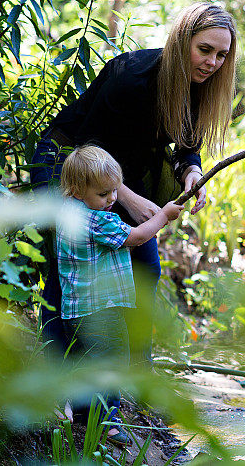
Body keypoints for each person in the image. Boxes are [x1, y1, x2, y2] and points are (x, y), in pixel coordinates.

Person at [30, 2, 237, 362]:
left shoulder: (203, 84)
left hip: (121, 172)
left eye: (221, 55)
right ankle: (56, 377)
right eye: (204, 50)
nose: (212, 63)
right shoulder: (132, 78)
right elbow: (87, 148)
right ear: (182, 41)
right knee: (66, 270)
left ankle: (135, 373)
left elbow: (188, 146)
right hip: (68, 164)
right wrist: (128, 199)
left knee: (145, 266)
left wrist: (191, 172)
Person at [57, 145, 183, 446]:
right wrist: (164, 215)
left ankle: (69, 401)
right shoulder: (98, 221)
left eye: (114, 191)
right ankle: (106, 423)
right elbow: (138, 237)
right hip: (103, 308)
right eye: (103, 194)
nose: (112, 199)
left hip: (78, 308)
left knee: (88, 358)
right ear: (77, 191)